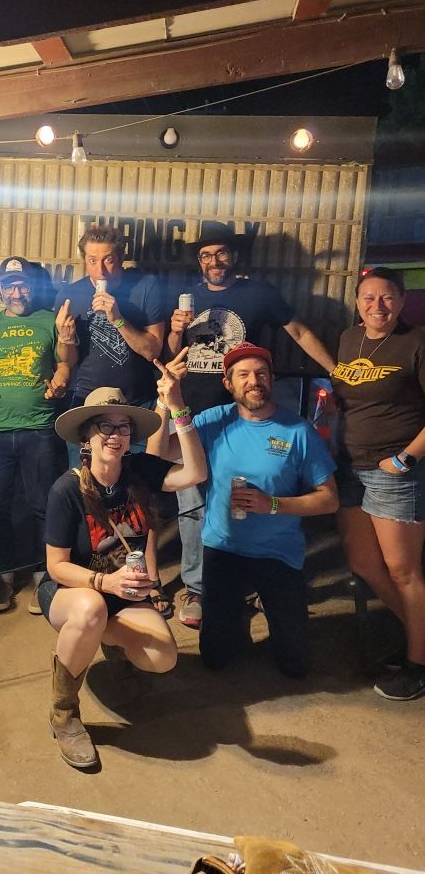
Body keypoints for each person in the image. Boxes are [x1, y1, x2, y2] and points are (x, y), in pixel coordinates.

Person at [39, 356, 207, 769]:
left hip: (124, 591)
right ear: (87, 438)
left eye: (124, 426)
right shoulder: (67, 490)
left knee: (162, 658)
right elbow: (57, 566)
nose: (116, 435)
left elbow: (196, 472)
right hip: (72, 591)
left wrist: (178, 408)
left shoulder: (140, 471)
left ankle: (100, 642)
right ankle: (64, 712)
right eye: (105, 427)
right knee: (91, 609)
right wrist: (104, 584)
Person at [167, 221, 336, 629]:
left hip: (247, 418)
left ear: (235, 256)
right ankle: (197, 586)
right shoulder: (186, 301)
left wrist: (336, 371)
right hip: (197, 418)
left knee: (257, 498)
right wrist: (175, 333)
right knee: (192, 507)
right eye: (206, 255)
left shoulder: (258, 293)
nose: (214, 261)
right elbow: (171, 356)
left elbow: (297, 330)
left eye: (221, 253)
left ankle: (261, 579)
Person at [157, 341, 338, 678]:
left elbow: (329, 499)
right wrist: (168, 401)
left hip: (278, 553)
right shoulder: (213, 421)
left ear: (271, 379)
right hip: (223, 549)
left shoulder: (299, 431)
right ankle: (229, 618)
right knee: (216, 658)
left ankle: (270, 614)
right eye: (243, 375)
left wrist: (271, 504)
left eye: (261, 373)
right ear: (228, 383)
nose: (253, 381)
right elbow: (163, 451)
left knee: (295, 664)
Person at [0, 256, 77, 613]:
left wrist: (61, 376)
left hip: (39, 427)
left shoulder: (48, 320)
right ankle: (3, 580)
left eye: (23, 285)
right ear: (0, 290)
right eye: (10, 285)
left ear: (33, 287)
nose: (17, 292)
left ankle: (48, 577)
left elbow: (64, 361)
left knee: (42, 505)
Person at [332, 267, 425, 701]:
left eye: (387, 298)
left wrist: (405, 458)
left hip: (394, 469)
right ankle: (419, 636)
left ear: (402, 301)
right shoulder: (350, 340)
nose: (377, 306)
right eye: (368, 298)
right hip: (350, 467)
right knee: (365, 565)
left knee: (403, 571)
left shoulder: (417, 342)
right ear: (357, 302)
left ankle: (418, 663)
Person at [55, 223, 165, 426]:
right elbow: (68, 361)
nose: (100, 270)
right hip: (87, 404)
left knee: (143, 459)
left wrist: (118, 319)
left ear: (120, 259)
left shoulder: (145, 286)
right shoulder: (69, 295)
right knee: (84, 459)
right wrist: (65, 339)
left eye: (108, 260)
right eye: (92, 261)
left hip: (138, 404)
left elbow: (153, 351)